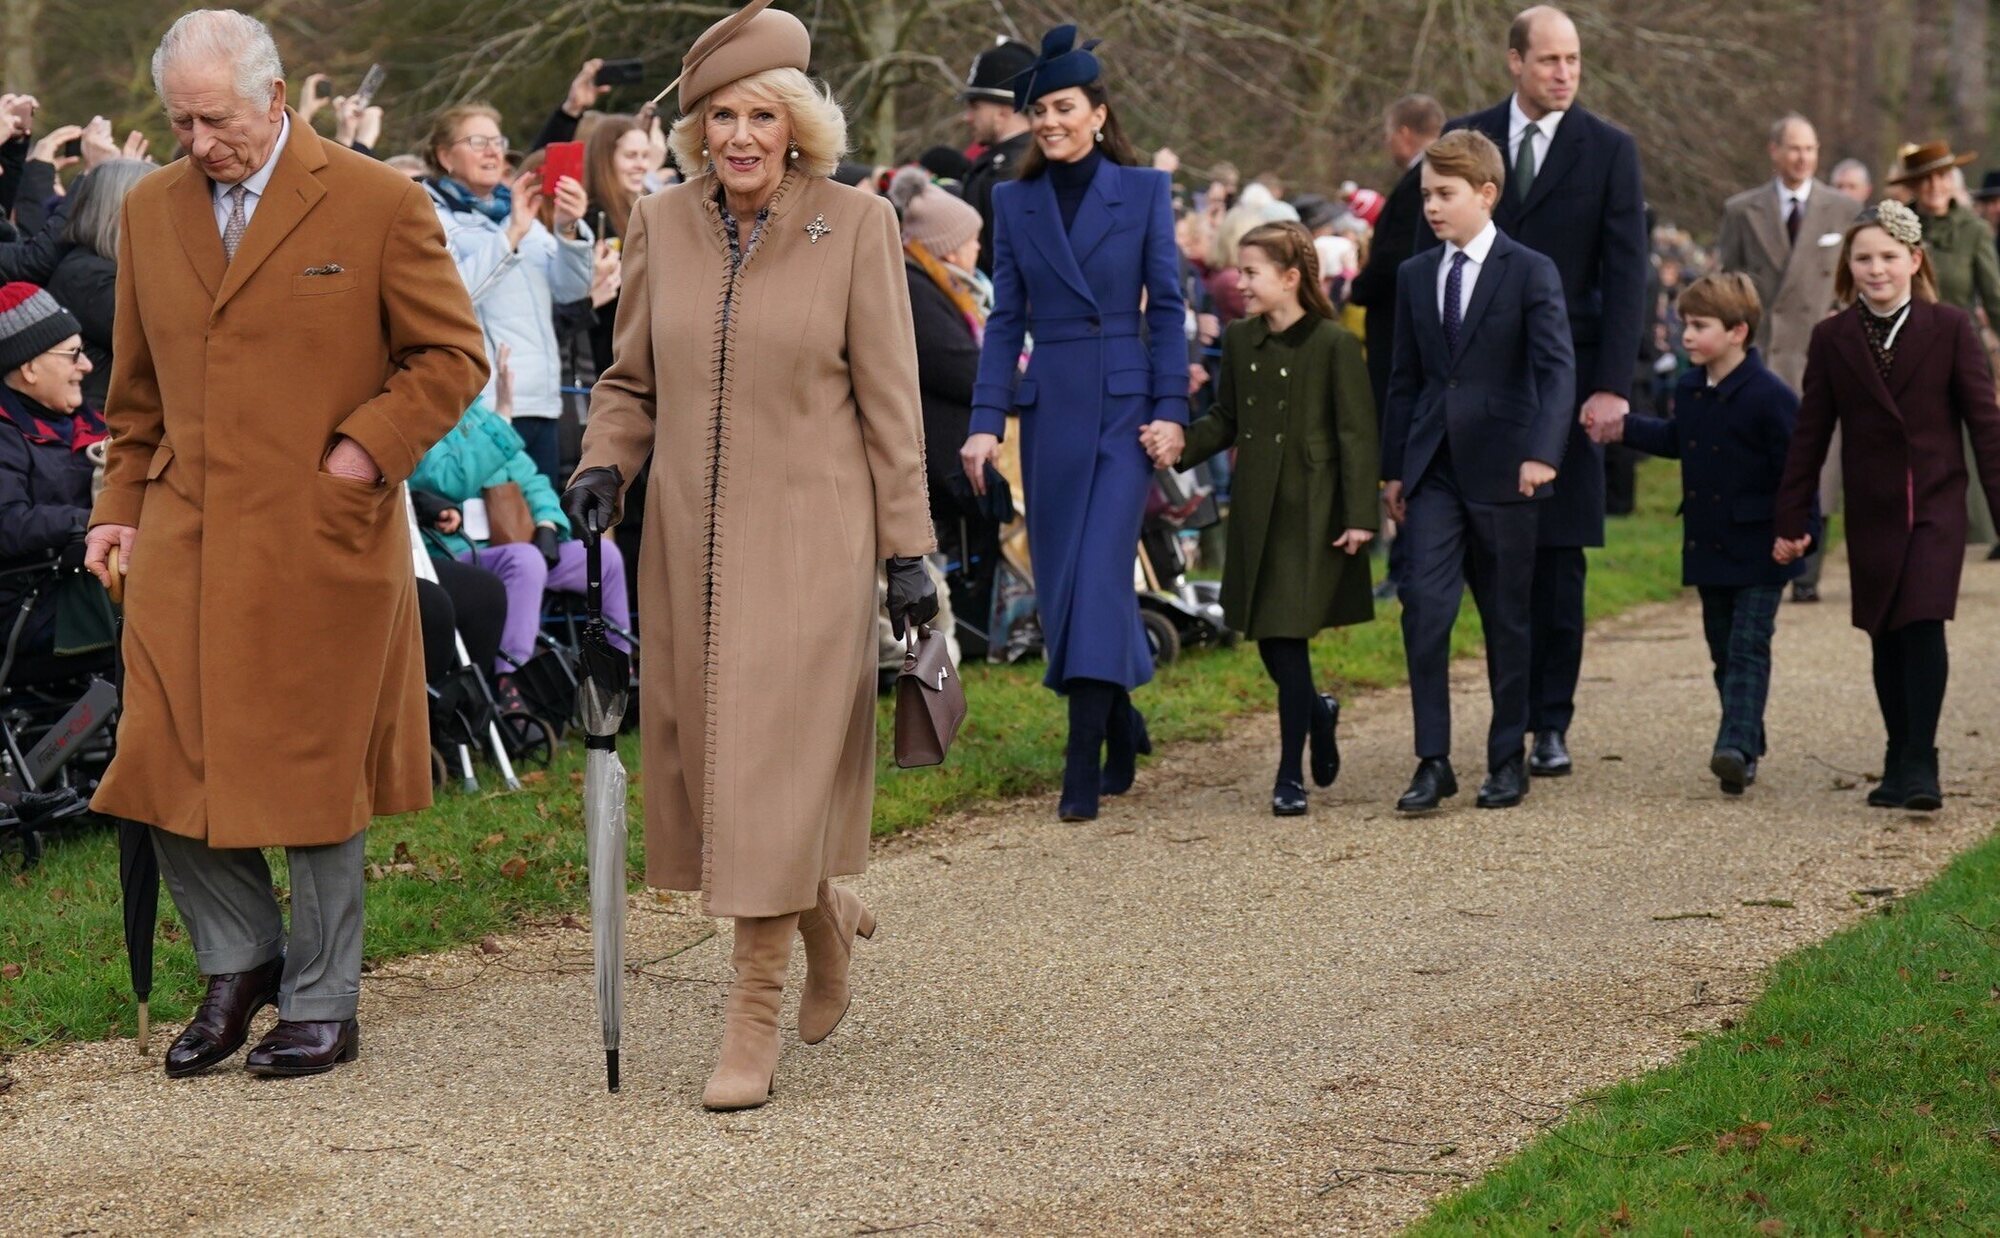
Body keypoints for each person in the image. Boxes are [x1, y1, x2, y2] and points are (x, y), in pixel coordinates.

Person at [81, 9, 487, 1079]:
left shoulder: (377, 199)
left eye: (214, 119)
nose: (197, 143)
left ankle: (322, 996)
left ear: (272, 99)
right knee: (158, 762)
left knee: (312, 770)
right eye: (179, 122)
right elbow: (134, 398)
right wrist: (117, 507)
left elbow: (450, 356)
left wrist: (361, 454)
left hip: (321, 534)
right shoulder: (156, 208)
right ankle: (241, 959)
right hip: (182, 536)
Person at [559, 0, 936, 1113]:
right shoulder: (662, 222)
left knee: (769, 764)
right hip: (685, 544)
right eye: (720, 114)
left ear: (797, 124)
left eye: (759, 114)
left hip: (815, 541)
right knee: (721, 770)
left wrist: (909, 551)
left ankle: (749, 1017)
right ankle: (819, 912)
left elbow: (890, 405)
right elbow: (631, 382)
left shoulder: (857, 224)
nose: (737, 134)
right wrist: (602, 464)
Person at [959, 25, 1189, 823]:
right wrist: (985, 423)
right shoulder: (1014, 201)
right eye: (1040, 110)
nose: (1051, 121)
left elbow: (1167, 310)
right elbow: (1004, 320)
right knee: (1063, 590)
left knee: (1096, 573)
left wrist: (1172, 414)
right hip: (1050, 407)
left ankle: (1081, 758)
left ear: (1097, 112)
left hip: (1125, 413)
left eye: (1065, 107)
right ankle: (1122, 717)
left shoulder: (1145, 193)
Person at [1444, 4, 1646, 780]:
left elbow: (1626, 275)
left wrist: (1611, 389)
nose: (1565, 73)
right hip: (1482, 382)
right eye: (1550, 60)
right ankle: (1509, 713)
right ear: (1515, 63)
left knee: (1560, 559)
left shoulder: (1609, 151)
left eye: (1574, 60)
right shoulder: (1468, 142)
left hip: (1570, 383)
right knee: (1492, 558)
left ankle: (1551, 722)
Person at [1773, 201, 2000, 812]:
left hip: (1934, 504)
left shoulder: (1950, 328)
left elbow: (1986, 426)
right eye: (1865, 258)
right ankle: (1897, 755)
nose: (1877, 270)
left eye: (1889, 258)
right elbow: (1811, 434)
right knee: (1885, 632)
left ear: (1914, 261)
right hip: (1871, 508)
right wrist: (1793, 515)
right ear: (1849, 265)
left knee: (1922, 621)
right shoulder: (1833, 337)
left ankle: (1922, 761)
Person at [1380, 129, 1574, 813]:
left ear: (1486, 195)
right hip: (1432, 468)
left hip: (1506, 468)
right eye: (1427, 193)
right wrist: (1394, 469)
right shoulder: (1414, 275)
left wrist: (1543, 452)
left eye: (1445, 194)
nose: (1431, 206)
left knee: (1506, 618)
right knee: (1424, 610)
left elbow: (1556, 370)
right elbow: (1404, 378)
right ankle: (1432, 760)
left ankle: (1505, 757)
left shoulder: (1529, 270)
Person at [1173, 221, 1378, 816]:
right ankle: (1317, 710)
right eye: (1239, 271)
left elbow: (1357, 434)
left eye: (1251, 273)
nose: (1240, 283)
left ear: (1290, 279)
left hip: (1312, 513)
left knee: (1288, 636)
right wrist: (1177, 447)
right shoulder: (1240, 339)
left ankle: (1289, 776)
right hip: (1258, 507)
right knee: (1269, 640)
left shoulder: (1335, 344)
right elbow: (1226, 418)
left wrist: (1360, 514)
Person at [1590, 274, 1804, 795]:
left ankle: (1733, 745)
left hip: (1761, 546)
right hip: (1709, 543)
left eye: (1699, 326)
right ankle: (1746, 733)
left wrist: (1799, 530)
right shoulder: (1689, 388)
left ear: (1737, 331)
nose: (1686, 335)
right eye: (1685, 323)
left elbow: (1798, 469)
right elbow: (1680, 439)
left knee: (1750, 645)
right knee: (1723, 650)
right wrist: (1624, 428)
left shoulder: (1770, 395)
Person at [1716, 114, 1861, 603]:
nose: (1803, 158)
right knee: (1763, 458)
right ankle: (1765, 558)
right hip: (1762, 353)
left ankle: (1807, 570)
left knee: (1819, 460)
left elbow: (1853, 284)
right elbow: (1728, 284)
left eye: (1811, 149)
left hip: (1816, 354)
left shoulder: (1842, 209)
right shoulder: (1742, 211)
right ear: (1774, 151)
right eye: (1794, 148)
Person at [408, 391, 633, 689]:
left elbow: (532, 479)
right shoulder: (421, 421)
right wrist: (500, 423)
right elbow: (450, 481)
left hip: (517, 544)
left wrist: (548, 523)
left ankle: (618, 668)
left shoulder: (480, 415)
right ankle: (512, 680)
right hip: (459, 553)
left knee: (603, 555)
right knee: (525, 560)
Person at [423, 101, 593, 486]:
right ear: (445, 156)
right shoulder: (430, 215)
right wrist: (512, 233)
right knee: (503, 533)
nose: (493, 151)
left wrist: (567, 230)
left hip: (543, 399)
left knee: (549, 532)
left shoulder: (517, 212)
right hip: (484, 406)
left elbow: (571, 292)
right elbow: (451, 300)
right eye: (477, 141)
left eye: (498, 141)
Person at [896, 170, 1007, 657]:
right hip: (940, 450)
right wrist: (1021, 384)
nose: (979, 249)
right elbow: (959, 366)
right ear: (944, 245)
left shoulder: (937, 284)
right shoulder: (916, 289)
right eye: (972, 240)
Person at [1889, 140, 2000, 559]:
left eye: (1941, 176)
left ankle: (1972, 528)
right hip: (1907, 349)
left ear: (1952, 180)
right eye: (1925, 179)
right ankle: (1918, 533)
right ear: (1914, 185)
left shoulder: (1974, 230)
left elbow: (1993, 297)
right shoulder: (1899, 227)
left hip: (1961, 349)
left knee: (1974, 443)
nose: (1934, 186)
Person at [0, 285, 106, 686]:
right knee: (163, 623)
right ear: (29, 368)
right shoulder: (6, 432)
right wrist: (95, 520)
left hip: (76, 584)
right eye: (73, 354)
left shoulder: (86, 422)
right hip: (29, 605)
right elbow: (8, 524)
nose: (87, 367)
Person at [1350, 93, 1444, 416]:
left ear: (1404, 134)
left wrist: (1358, 288)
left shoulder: (1421, 183)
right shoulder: (1430, 180)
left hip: (1397, 325)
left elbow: (1396, 255)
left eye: (1388, 135)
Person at [47, 160, 149, 410]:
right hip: (100, 422)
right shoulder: (87, 276)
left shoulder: (97, 268)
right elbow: (152, 339)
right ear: (121, 210)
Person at [958, 37, 1037, 278]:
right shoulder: (997, 165)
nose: (967, 117)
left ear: (1003, 112)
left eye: (975, 107)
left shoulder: (1018, 169)